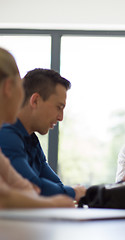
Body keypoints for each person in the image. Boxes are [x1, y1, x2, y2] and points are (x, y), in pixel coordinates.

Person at [0, 47, 74, 208]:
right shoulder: (6, 133)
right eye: (19, 87)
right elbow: (10, 196)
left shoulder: (30, 140)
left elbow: (25, 188)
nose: (22, 96)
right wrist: (53, 199)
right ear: (8, 87)